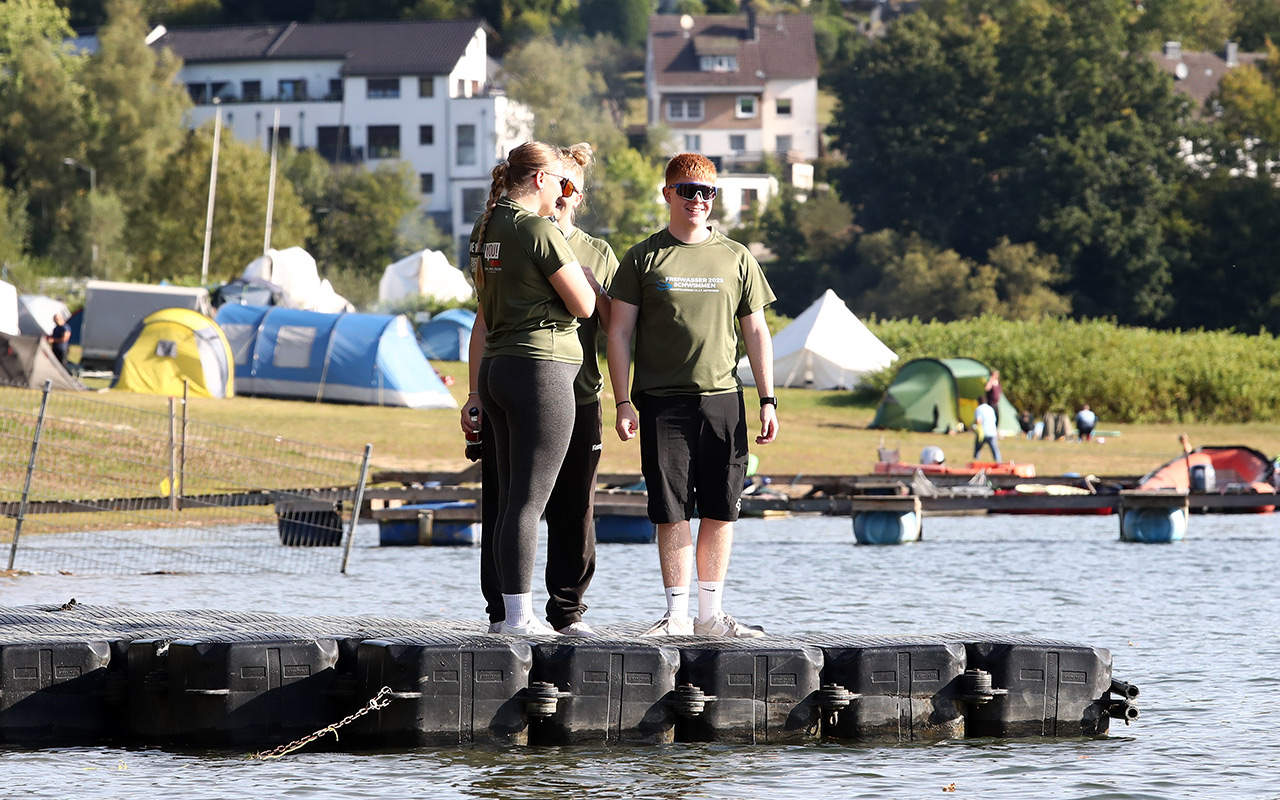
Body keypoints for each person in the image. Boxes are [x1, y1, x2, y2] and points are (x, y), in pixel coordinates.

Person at [607, 152, 779, 638]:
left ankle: (710, 616)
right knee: (671, 509)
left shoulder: (736, 256)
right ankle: (677, 616)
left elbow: (757, 332)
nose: (698, 200)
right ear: (668, 194)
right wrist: (622, 401)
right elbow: (618, 333)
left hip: (724, 399)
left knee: (722, 507)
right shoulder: (642, 257)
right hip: (662, 402)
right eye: (688, 190)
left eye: (707, 192)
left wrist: (768, 400)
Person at [460, 141, 601, 637]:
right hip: (541, 371)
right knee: (528, 502)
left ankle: (507, 615)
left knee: (509, 501)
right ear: (540, 179)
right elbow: (584, 305)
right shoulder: (536, 229)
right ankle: (521, 619)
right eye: (560, 182)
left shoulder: (487, 226)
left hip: (497, 369)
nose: (563, 193)